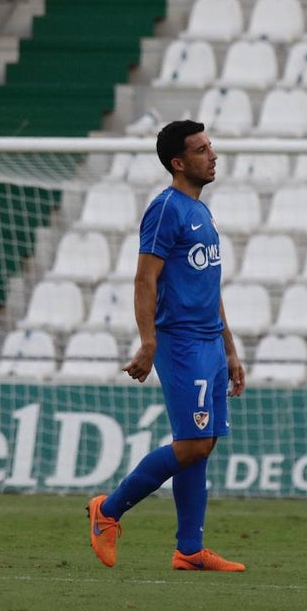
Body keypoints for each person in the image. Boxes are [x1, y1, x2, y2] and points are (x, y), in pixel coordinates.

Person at [86, 120, 247, 572]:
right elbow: (145, 277)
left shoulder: (202, 212)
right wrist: (148, 342)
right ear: (178, 163)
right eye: (200, 150)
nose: (212, 155)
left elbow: (208, 285)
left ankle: (190, 549)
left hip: (209, 343)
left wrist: (230, 349)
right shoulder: (166, 209)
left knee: (203, 443)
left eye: (210, 146)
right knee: (194, 445)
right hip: (181, 344)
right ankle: (108, 511)